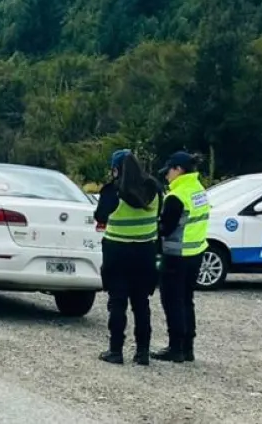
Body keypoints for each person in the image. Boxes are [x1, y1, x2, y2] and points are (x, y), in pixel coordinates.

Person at [94, 149, 162, 365]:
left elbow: (100, 216)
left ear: (116, 169)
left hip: (117, 252)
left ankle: (116, 351)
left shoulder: (113, 191)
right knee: (141, 303)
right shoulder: (154, 188)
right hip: (145, 252)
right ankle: (142, 353)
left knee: (117, 303)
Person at [152, 151, 211, 363]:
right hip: (196, 253)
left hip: (176, 256)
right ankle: (188, 347)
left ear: (178, 169)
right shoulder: (198, 190)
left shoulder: (177, 196)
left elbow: (165, 228)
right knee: (187, 300)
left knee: (172, 301)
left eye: (168, 171)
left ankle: (175, 348)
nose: (166, 175)